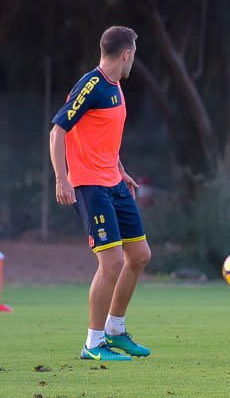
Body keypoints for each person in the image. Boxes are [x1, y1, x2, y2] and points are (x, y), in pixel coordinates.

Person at [49, 26, 151, 361]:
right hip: (90, 185)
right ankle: (93, 344)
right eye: (133, 54)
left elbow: (100, 135)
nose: (133, 59)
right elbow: (59, 130)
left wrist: (120, 169)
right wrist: (62, 179)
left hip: (113, 181)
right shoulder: (92, 85)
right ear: (126, 54)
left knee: (139, 256)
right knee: (112, 262)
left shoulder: (116, 86)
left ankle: (116, 332)